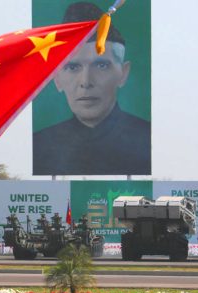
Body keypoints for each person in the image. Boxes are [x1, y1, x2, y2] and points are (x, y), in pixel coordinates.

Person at [33, 1, 151, 175]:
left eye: (101, 65)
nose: (86, 81)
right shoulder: (39, 146)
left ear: (123, 73)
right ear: (56, 79)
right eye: (72, 68)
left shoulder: (145, 140)